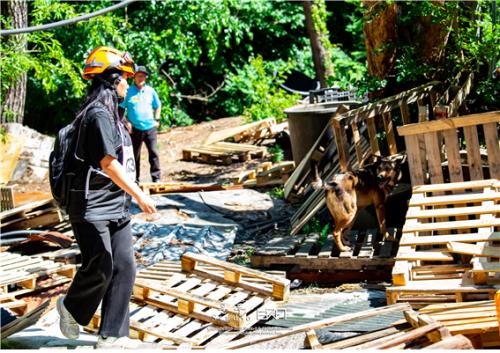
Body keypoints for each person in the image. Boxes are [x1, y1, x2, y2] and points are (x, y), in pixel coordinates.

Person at [56, 46, 157, 349]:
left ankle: (112, 335)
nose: (129, 83)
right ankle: (71, 308)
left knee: (125, 266)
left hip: (115, 205)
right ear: (113, 80)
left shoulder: (115, 115)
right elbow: (107, 163)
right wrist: (140, 195)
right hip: (90, 206)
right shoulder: (98, 114)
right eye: (125, 78)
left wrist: (130, 196)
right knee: (101, 265)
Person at [120, 65, 162, 183]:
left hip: (150, 128)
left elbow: (158, 105)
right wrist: (126, 122)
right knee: (135, 155)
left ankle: (156, 178)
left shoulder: (150, 91)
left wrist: (157, 119)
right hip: (135, 129)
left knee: (154, 152)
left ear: (146, 78)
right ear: (134, 77)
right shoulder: (128, 92)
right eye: (139, 76)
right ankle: (135, 179)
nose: (141, 78)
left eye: (143, 76)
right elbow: (120, 109)